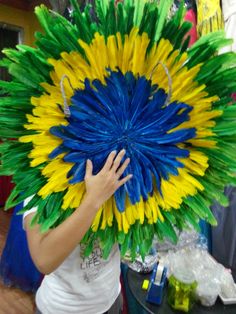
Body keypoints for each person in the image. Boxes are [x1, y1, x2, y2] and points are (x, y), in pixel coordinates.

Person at [24, 149, 132, 314]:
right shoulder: (43, 176)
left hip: (111, 300)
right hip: (62, 308)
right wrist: (93, 200)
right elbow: (44, 259)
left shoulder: (116, 169)